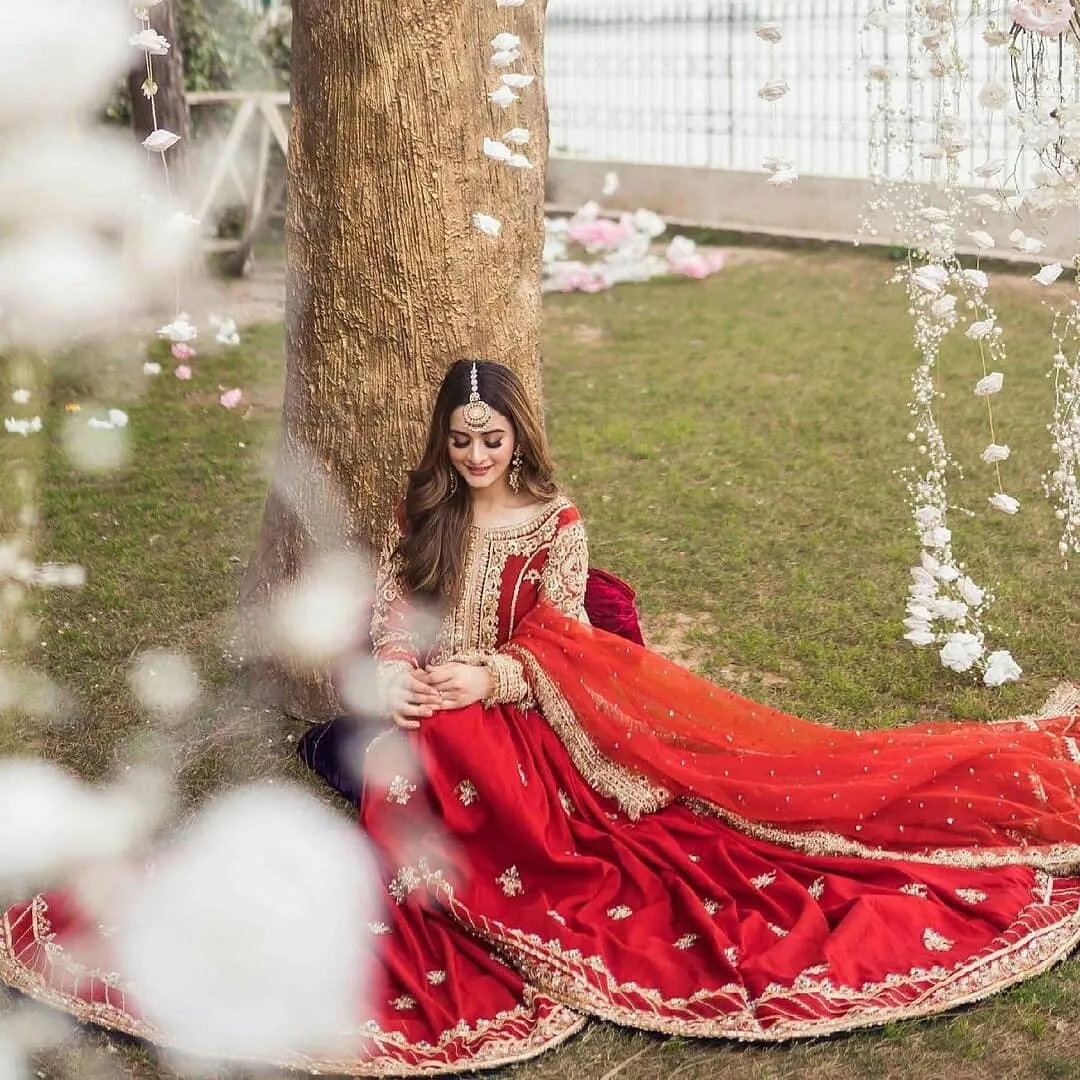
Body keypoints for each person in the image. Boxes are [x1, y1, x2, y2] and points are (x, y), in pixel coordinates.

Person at [6, 358, 1080, 1076]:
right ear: (447, 438)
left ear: (516, 435)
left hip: (519, 713)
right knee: (381, 758)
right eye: (463, 440)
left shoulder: (552, 521)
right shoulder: (421, 511)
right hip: (423, 702)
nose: (478, 457)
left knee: (545, 820)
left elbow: (568, 639)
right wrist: (406, 675)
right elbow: (392, 612)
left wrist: (488, 682)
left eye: (492, 440)